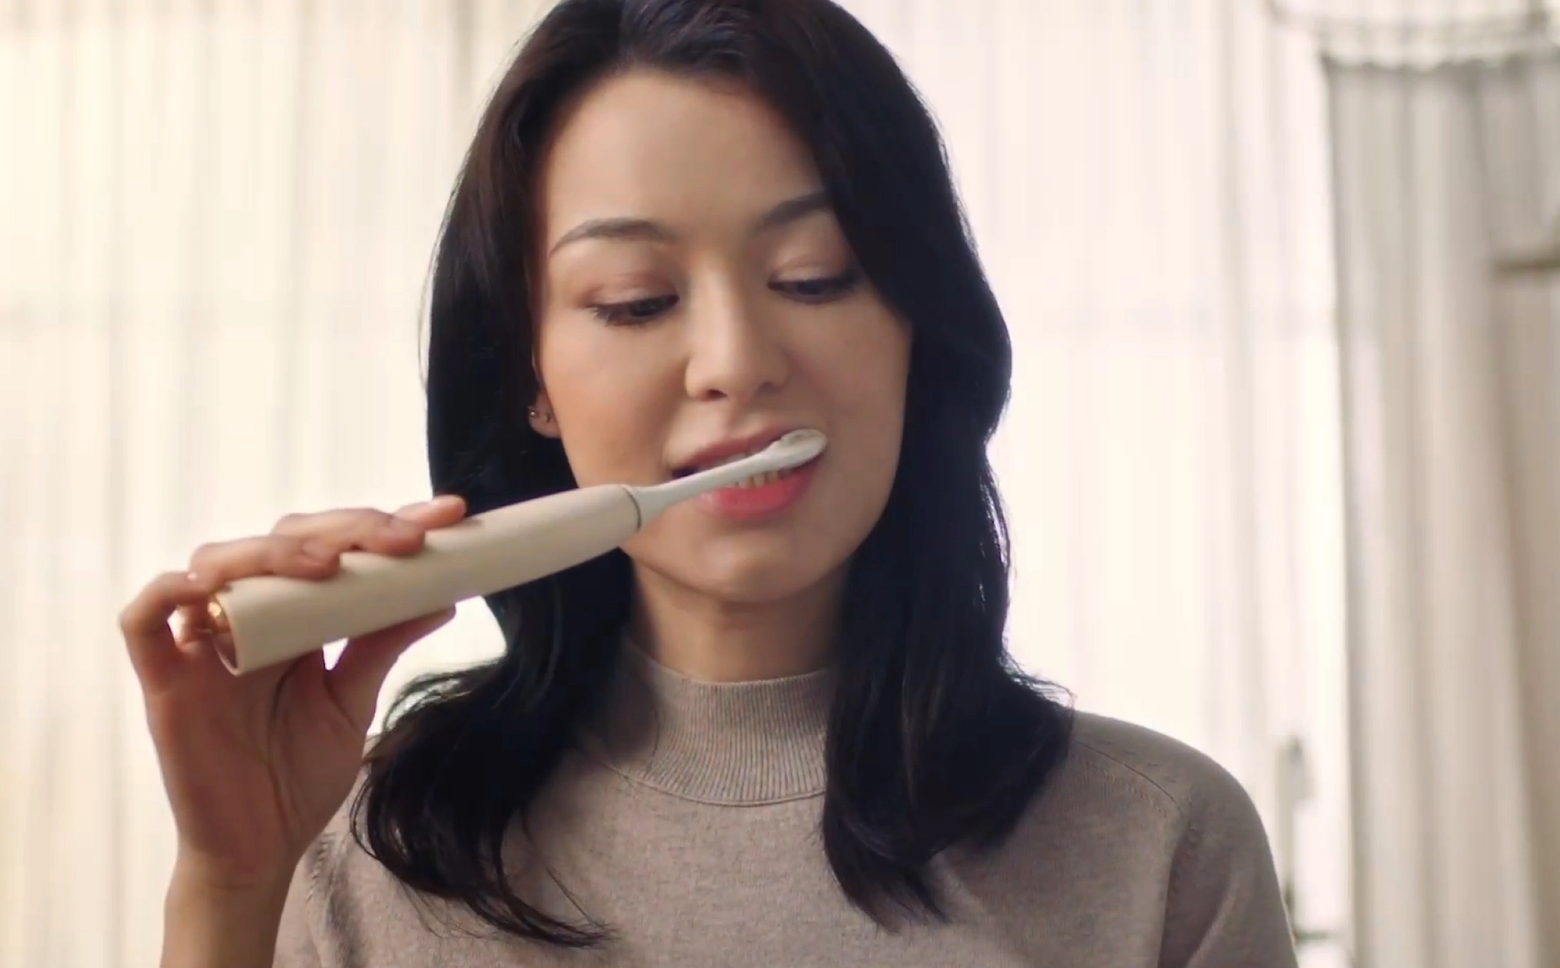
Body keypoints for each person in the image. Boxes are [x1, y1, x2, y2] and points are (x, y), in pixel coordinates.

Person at [118, 0, 1301, 965]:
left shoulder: (1155, 844)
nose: (735, 362)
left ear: (913, 325)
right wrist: (232, 883)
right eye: (635, 300)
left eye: (817, 275)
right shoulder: (382, 847)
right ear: (532, 372)